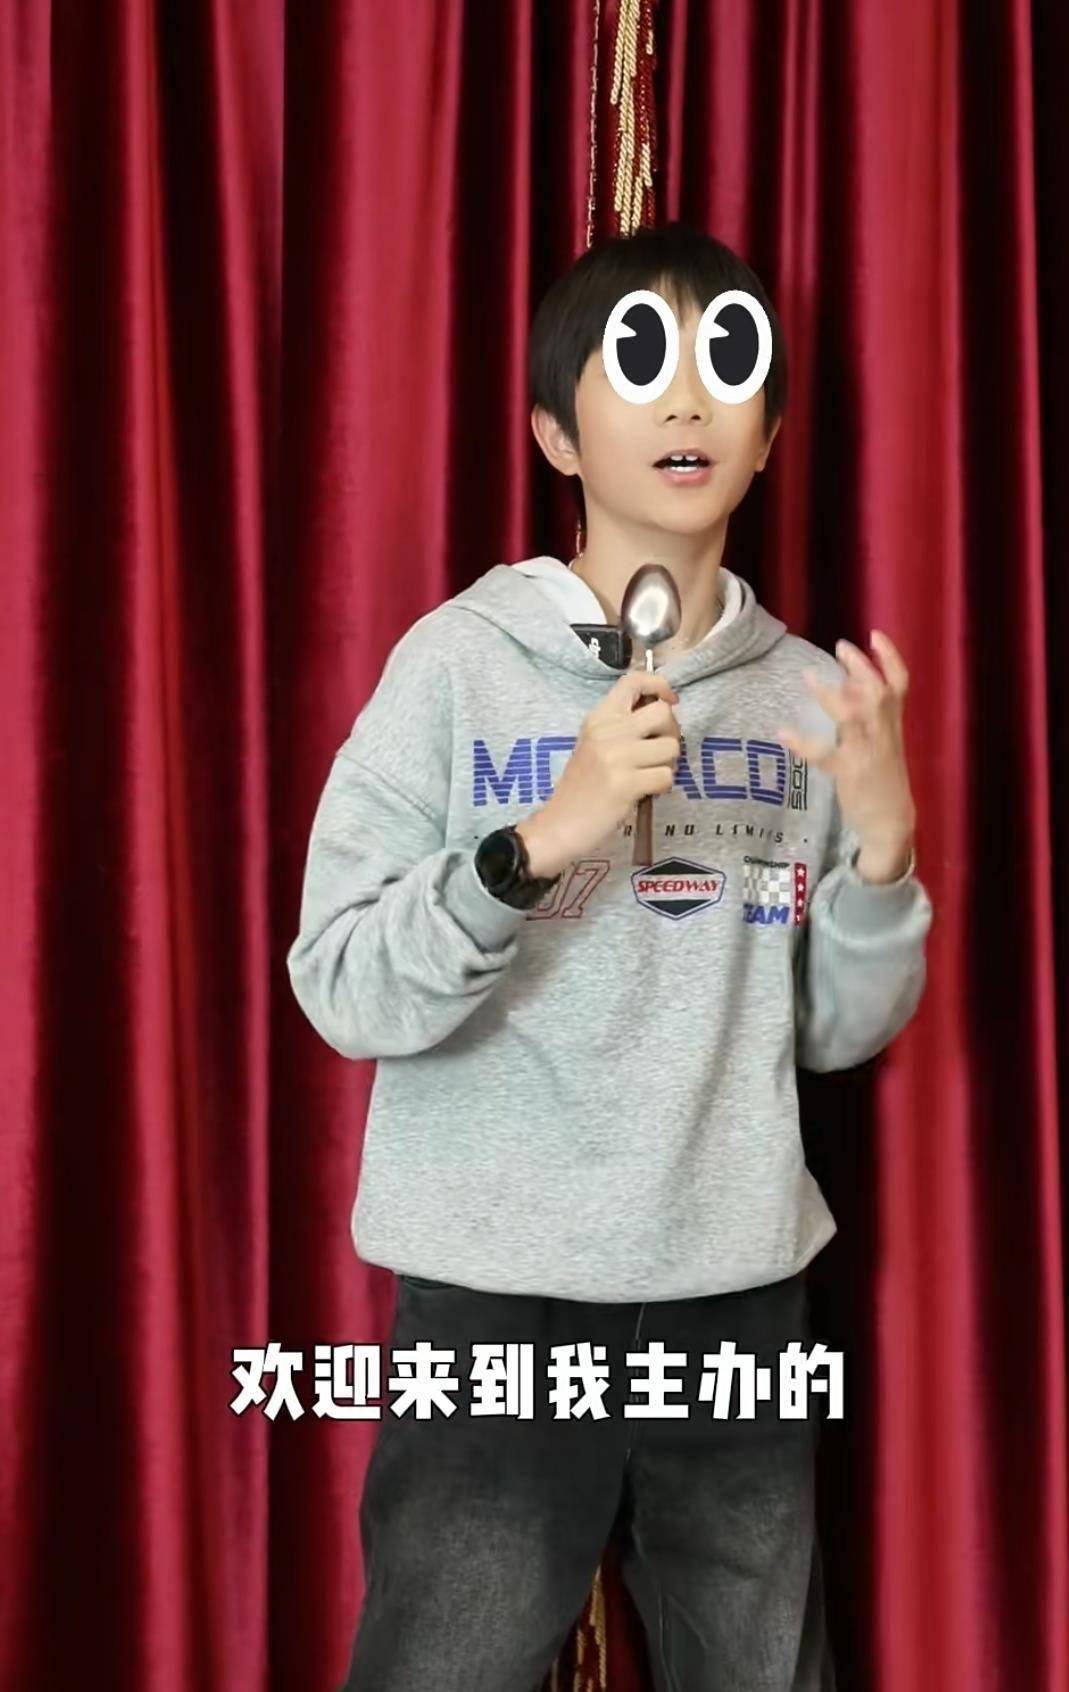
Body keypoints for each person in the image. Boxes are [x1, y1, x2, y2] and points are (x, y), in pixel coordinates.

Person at [287, 221, 933, 1692]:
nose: (688, 398)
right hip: (495, 1301)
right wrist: (540, 840)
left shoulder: (808, 696)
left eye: (727, 368)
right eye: (641, 364)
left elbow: (831, 1034)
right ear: (555, 435)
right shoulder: (455, 666)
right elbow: (340, 980)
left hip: (734, 1295)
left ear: (768, 440)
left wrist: (885, 853)